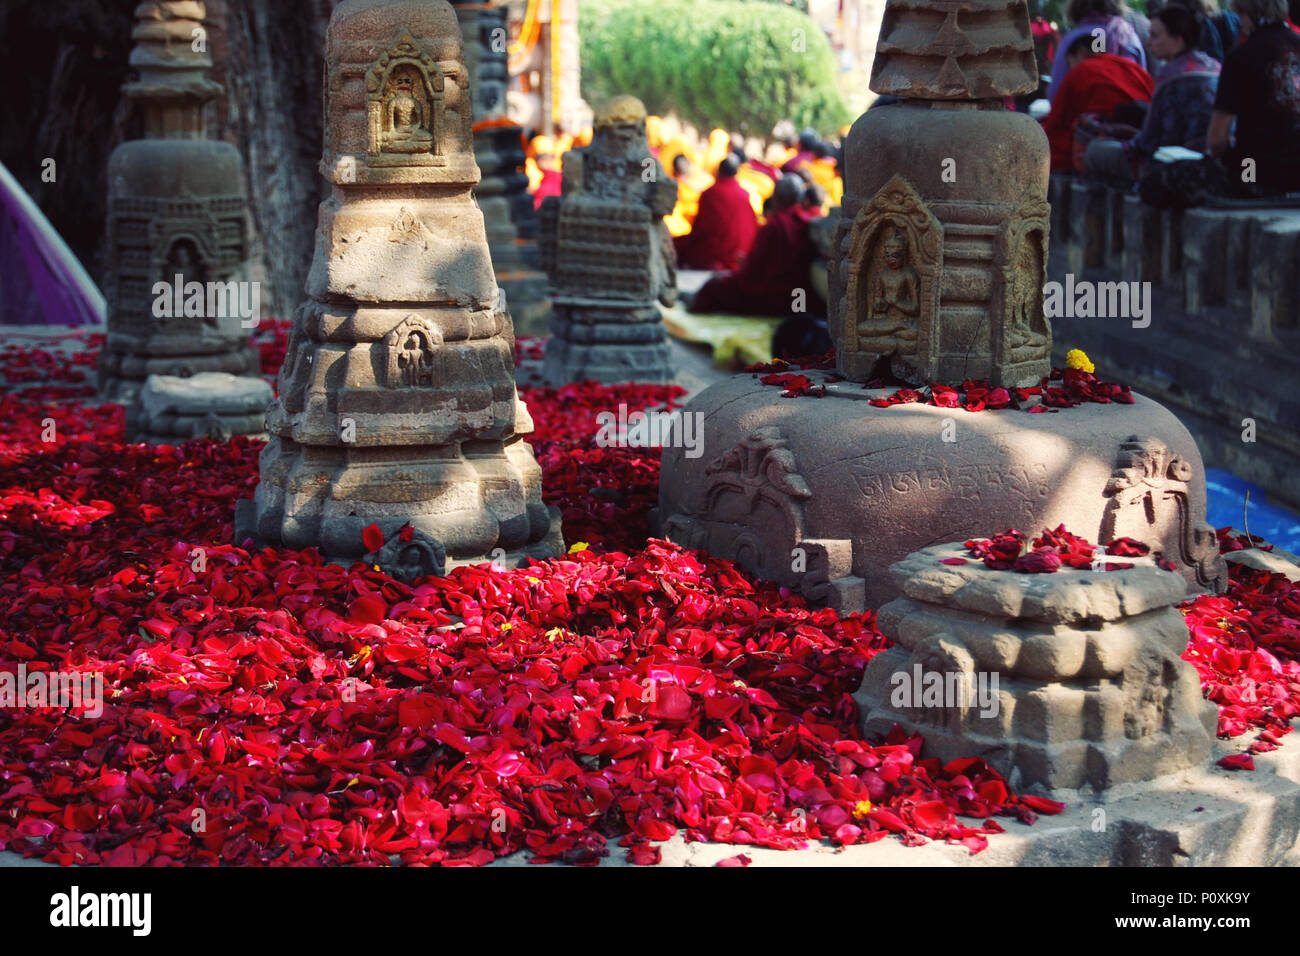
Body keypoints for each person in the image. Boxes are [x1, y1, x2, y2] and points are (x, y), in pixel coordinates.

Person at [1085, 4, 1221, 183]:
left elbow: (1147, 143)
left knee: (1094, 150)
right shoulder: (1215, 67)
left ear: (1178, 39)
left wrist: (1123, 139)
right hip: (1213, 161)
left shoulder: (1171, 75)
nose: (1148, 42)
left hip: (1171, 165)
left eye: (1155, 36)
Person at [690, 176, 825, 317]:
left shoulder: (774, 226)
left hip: (771, 296)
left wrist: (738, 270)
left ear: (777, 198)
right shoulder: (807, 223)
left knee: (713, 286)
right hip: (799, 297)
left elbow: (752, 275)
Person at [1205, 0, 1300, 194]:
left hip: (1254, 168)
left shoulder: (1240, 57)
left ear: (1242, 12)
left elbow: (1216, 140)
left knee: (1245, 182)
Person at [1041, 33, 1156, 170]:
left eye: (1070, 63)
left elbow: (1056, 123)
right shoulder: (1134, 68)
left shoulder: (1082, 70)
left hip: (1097, 141)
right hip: (1142, 137)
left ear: (1081, 51)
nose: (1070, 69)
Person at [1049, 0, 1149, 101]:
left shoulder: (1071, 40)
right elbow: (1142, 84)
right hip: (1128, 113)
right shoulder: (1128, 37)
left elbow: (1055, 94)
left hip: (1082, 112)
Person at [673, 154, 759, 271]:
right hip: (743, 251)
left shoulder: (710, 193)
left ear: (718, 171)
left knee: (679, 246)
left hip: (717, 251)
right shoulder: (744, 194)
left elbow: (700, 229)